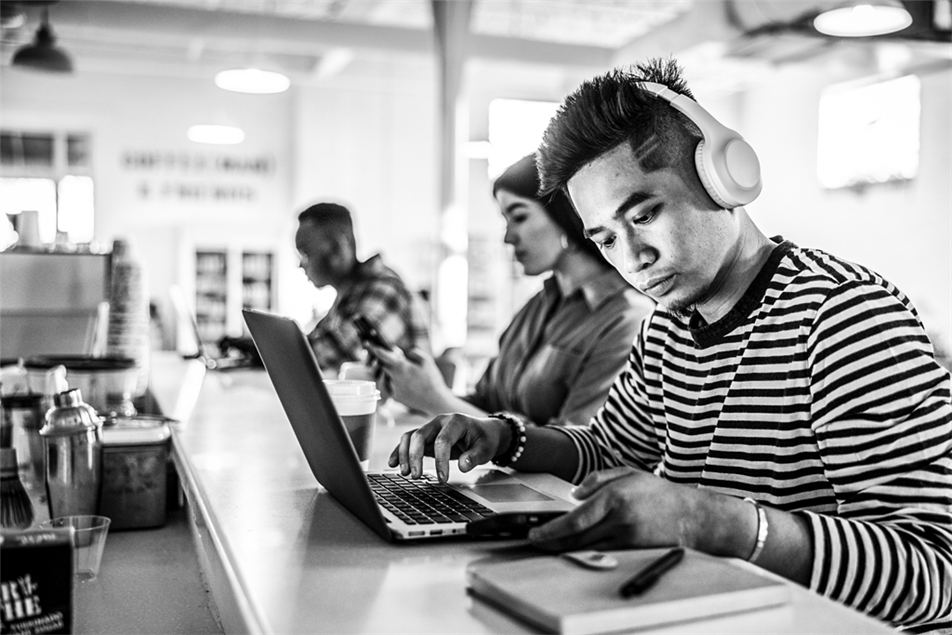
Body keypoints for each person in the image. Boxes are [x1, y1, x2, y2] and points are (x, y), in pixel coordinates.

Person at [389, 59, 952, 631]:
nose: (632, 258)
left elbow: (932, 571)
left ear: (722, 175)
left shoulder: (844, 317)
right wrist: (503, 437)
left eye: (645, 214)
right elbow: (608, 450)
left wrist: (719, 525)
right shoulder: (667, 328)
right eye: (606, 238)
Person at [370, 153, 654, 428]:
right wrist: (417, 391)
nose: (507, 237)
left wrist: (435, 399)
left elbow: (577, 447)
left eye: (518, 217)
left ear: (565, 215)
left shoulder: (627, 319)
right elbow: (487, 404)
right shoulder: (537, 306)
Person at [295, 202, 430, 377]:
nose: (300, 264)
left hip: (408, 404)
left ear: (337, 247)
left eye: (305, 253)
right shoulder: (349, 295)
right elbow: (314, 343)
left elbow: (341, 353)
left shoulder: (385, 288)